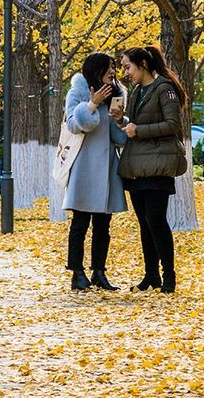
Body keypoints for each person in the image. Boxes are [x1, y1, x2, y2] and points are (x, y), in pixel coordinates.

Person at [115, 45, 187, 293]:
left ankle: (169, 276)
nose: (126, 72)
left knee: (156, 220)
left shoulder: (164, 88)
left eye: (127, 66)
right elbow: (136, 124)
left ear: (143, 63)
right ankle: (151, 275)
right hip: (136, 166)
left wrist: (139, 131)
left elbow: (172, 124)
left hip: (157, 164)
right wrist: (121, 121)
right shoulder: (137, 91)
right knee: (144, 223)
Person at [62, 52, 128, 291]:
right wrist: (91, 104)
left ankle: (99, 271)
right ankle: (77, 273)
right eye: (109, 68)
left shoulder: (117, 94)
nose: (113, 72)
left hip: (108, 169)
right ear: (96, 70)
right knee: (80, 223)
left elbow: (119, 138)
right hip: (83, 167)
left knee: (103, 224)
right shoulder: (78, 91)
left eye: (114, 68)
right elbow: (75, 125)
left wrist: (121, 120)